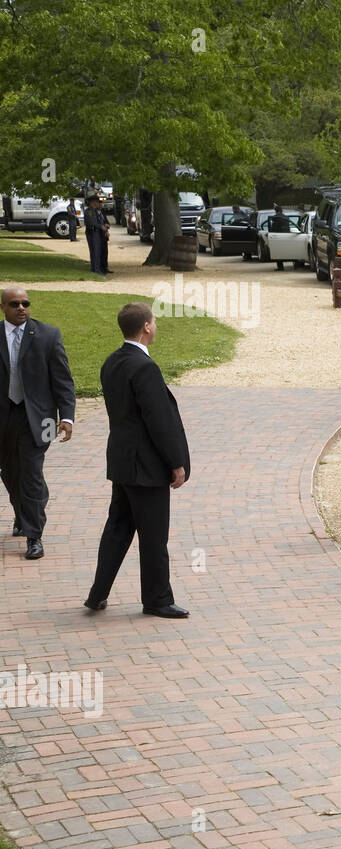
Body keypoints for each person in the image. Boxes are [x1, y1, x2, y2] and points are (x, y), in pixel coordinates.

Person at [85, 303, 191, 618]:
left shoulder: (112, 362)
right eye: (154, 322)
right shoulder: (144, 368)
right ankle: (157, 599)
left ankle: (97, 593)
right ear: (146, 326)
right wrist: (176, 462)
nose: (155, 327)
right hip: (145, 467)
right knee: (154, 535)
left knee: (118, 528)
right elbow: (158, 420)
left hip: (122, 462)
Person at [0, 287, 75, 560]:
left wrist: (66, 416)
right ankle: (22, 515)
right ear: (3, 308)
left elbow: (63, 380)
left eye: (25, 303)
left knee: (31, 473)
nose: (21, 308)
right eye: (14, 304)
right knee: (9, 472)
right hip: (4, 416)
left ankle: (34, 536)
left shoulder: (48, 336)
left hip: (38, 417)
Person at [84, 193, 111, 274]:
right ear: (93, 202)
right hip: (92, 232)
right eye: (96, 201)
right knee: (95, 251)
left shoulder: (95, 211)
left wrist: (104, 227)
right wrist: (101, 226)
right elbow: (92, 222)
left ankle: (98, 268)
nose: (98, 203)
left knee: (98, 251)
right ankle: (96, 269)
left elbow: (100, 221)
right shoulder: (89, 211)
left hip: (97, 233)